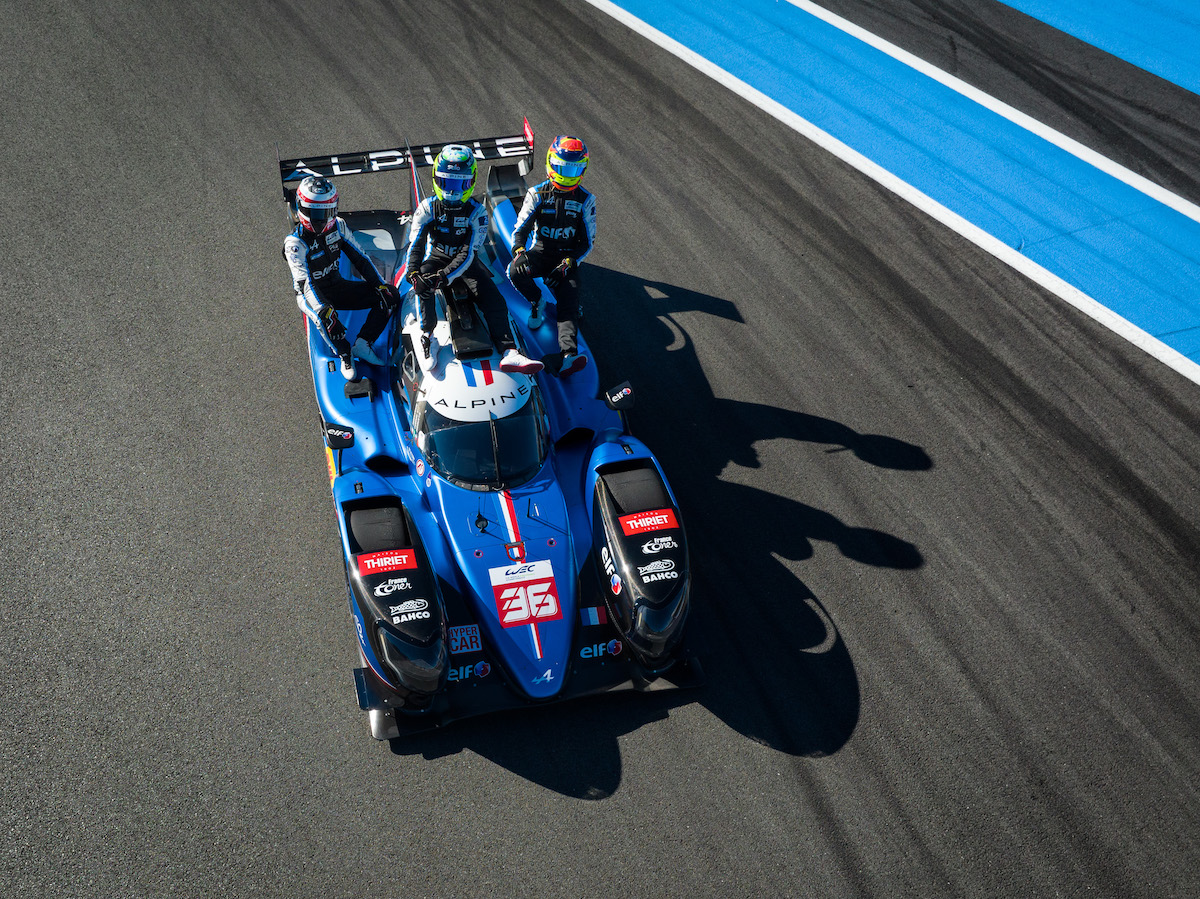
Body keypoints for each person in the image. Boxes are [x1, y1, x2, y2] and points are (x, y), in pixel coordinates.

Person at [405, 145, 542, 374]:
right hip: (436, 257)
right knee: (421, 287)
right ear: (437, 180)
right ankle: (427, 337)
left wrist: (443, 277)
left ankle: (510, 351)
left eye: (459, 184)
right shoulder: (426, 208)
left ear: (471, 182)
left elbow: (467, 254)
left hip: (466, 264)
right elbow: (416, 245)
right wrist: (414, 273)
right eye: (447, 183)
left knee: (495, 299)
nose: (452, 191)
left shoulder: (477, 213)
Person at [283, 176, 397, 380]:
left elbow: (361, 258)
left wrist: (380, 285)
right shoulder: (294, 243)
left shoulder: (339, 225)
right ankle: (345, 354)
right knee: (326, 320)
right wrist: (325, 311)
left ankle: (363, 344)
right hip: (311, 295)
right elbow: (304, 284)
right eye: (316, 213)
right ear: (303, 210)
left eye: (327, 212)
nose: (322, 219)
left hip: (336, 286)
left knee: (390, 294)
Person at [507, 134, 596, 376]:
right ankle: (537, 301)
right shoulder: (536, 194)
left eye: (573, 169)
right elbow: (520, 230)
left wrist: (569, 263)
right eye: (562, 167)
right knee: (514, 270)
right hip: (540, 252)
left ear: (583, 169)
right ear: (550, 164)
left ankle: (569, 355)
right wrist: (520, 252)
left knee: (569, 303)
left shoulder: (587, 200)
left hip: (566, 260)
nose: (567, 175)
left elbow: (588, 243)